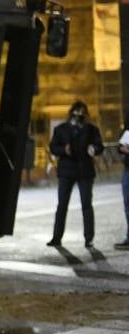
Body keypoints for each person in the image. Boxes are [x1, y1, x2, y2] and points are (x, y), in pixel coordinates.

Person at [48, 100, 104, 248]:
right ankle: (56, 237)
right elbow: (53, 146)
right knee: (62, 205)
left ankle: (89, 238)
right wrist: (63, 150)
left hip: (85, 171)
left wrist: (94, 148)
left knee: (86, 205)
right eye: (77, 112)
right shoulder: (61, 129)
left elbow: (100, 146)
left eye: (82, 113)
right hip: (66, 171)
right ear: (71, 113)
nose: (79, 115)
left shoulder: (91, 129)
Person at [117, 123, 129, 250]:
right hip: (128, 170)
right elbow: (119, 147)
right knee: (127, 204)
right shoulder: (127, 130)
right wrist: (122, 148)